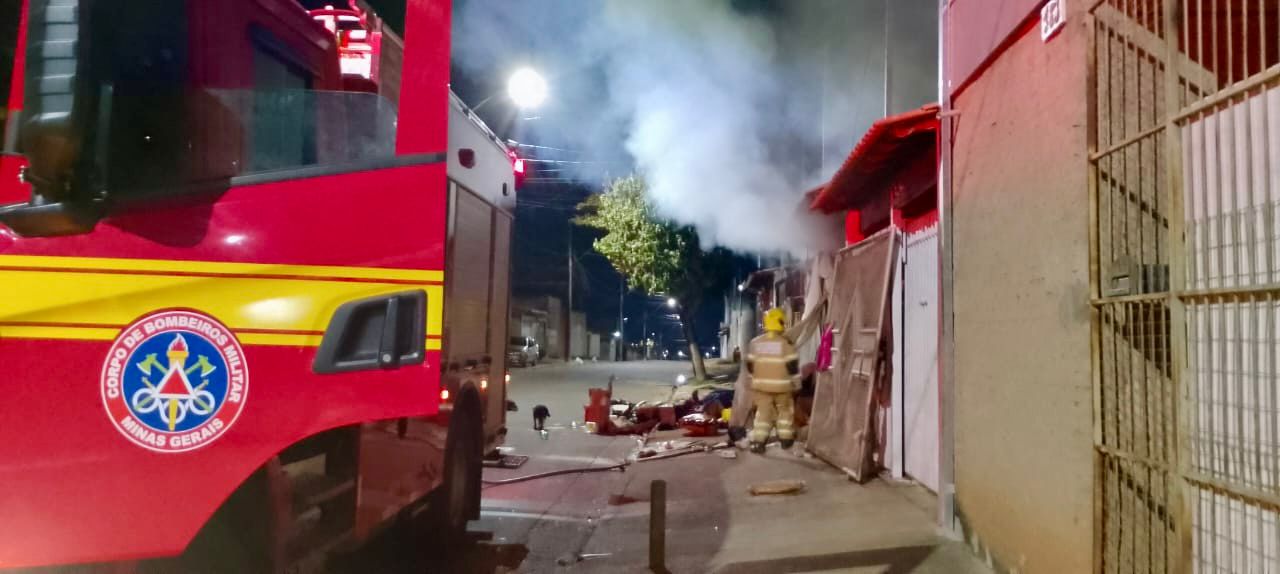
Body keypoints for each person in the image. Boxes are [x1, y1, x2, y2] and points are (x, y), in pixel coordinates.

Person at [745, 308, 799, 454]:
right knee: (784, 411)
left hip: (761, 386)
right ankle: (786, 439)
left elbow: (750, 365)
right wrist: (796, 384)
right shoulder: (787, 343)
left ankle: (759, 441)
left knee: (763, 413)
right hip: (782, 387)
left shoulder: (755, 343)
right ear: (780, 322)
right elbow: (793, 367)